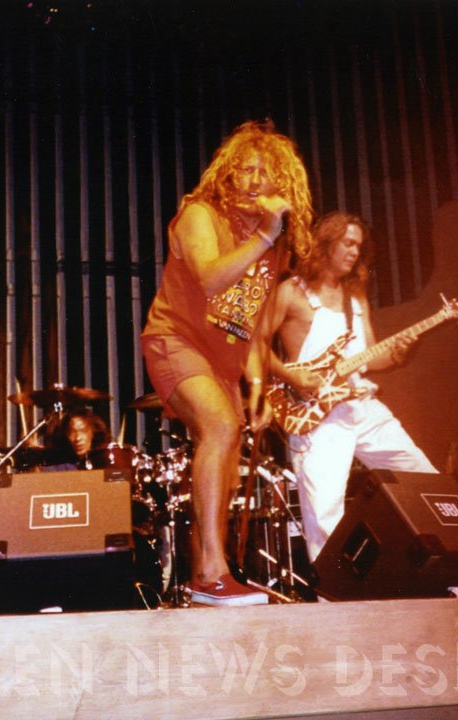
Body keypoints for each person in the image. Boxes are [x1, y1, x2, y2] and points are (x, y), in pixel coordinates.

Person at [140, 120, 314, 606]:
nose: (255, 180)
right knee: (218, 427)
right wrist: (262, 237)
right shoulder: (200, 215)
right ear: (227, 175)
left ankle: (204, 579)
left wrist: (257, 383)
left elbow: (257, 324)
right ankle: (215, 572)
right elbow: (212, 279)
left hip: (224, 363)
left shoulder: (272, 246)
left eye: (266, 173)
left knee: (226, 452)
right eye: (245, 170)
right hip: (175, 339)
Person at [261, 211, 438, 563]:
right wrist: (293, 376)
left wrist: (399, 355)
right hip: (317, 414)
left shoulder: (355, 298)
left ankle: (448, 580)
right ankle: (335, 604)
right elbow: (252, 345)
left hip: (362, 404)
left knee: (424, 480)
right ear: (325, 244)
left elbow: (371, 356)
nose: (355, 251)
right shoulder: (291, 292)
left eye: (359, 245)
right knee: (325, 514)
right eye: (348, 243)